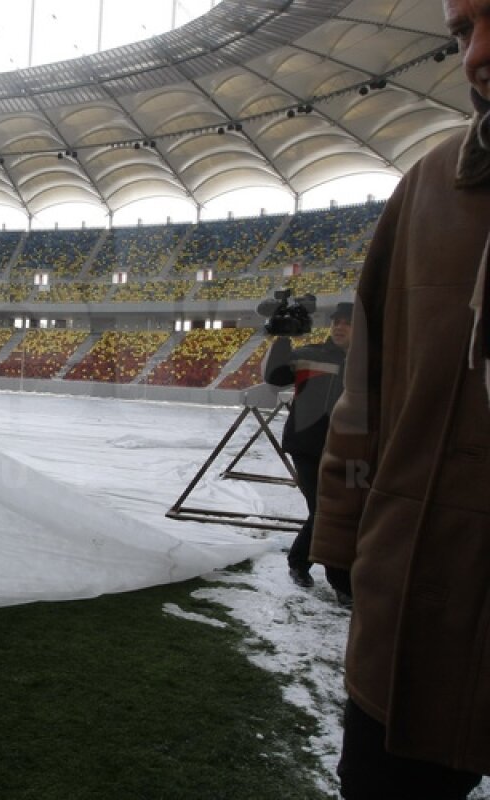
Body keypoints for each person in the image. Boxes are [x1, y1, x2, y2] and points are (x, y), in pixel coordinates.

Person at [310, 0, 490, 794]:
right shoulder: (428, 188)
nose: (478, 54)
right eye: (462, 30)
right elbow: (364, 402)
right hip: (416, 607)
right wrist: (344, 542)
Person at [263, 302, 354, 603]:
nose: (339, 327)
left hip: (348, 448)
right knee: (325, 511)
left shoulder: (370, 362)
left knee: (332, 511)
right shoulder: (312, 354)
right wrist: (282, 338)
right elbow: (275, 377)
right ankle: (341, 582)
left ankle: (299, 562)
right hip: (307, 447)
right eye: (336, 322)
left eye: (347, 322)